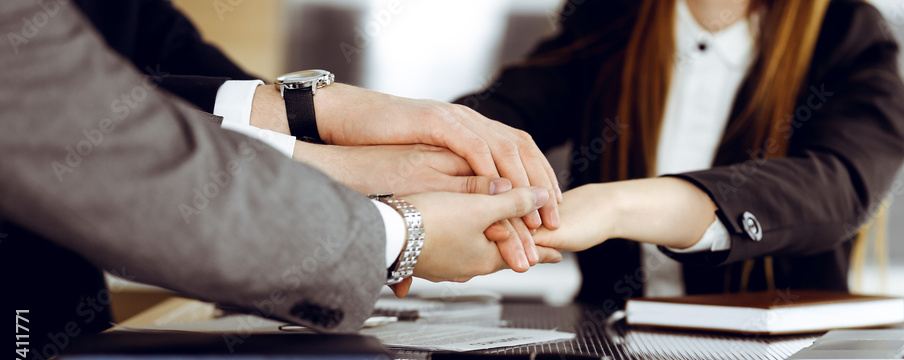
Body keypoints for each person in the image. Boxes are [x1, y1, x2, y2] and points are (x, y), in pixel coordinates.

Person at [0, 0, 556, 360]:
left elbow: (139, 71)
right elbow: (105, 145)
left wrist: (312, 114)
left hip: (66, 356)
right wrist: (398, 233)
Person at [461, 0, 904, 311]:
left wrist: (614, 207)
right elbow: (502, 116)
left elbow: (838, 184)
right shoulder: (610, 15)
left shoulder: (846, 32)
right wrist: (413, 169)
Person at [70, 0, 563, 275]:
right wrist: (396, 226)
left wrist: (310, 121)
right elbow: (69, 120)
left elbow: (157, 46)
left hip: (74, 317)